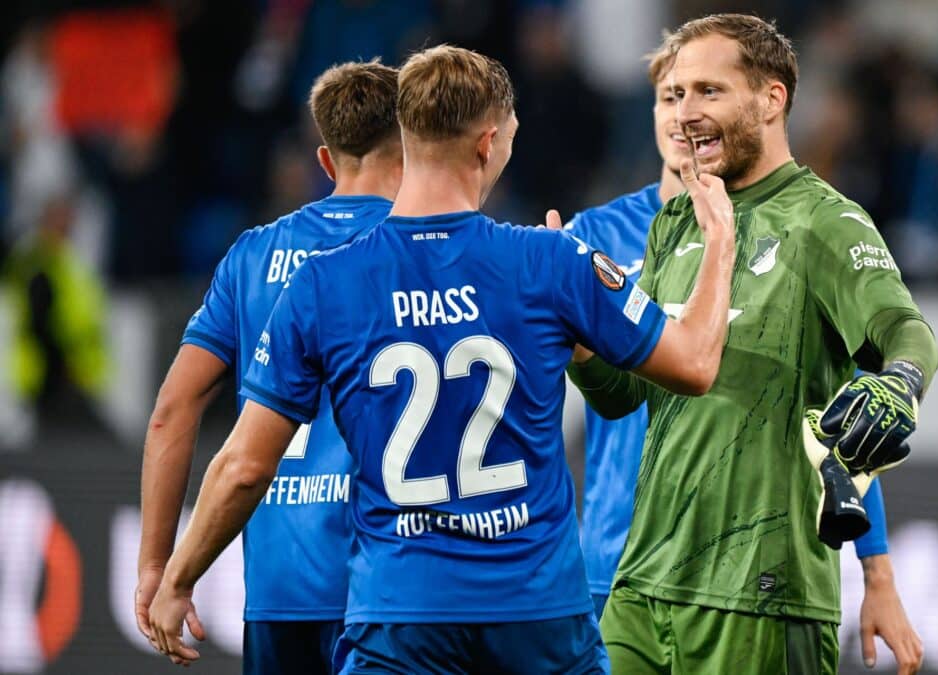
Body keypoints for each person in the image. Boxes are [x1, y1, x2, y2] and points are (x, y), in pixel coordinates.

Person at [145, 43, 738, 673]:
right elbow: (695, 363)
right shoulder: (553, 259)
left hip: (402, 613)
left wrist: (177, 576)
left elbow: (242, 466)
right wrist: (721, 241)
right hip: (537, 616)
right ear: (487, 144)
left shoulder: (323, 282)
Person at [568, 14, 938, 674]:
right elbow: (626, 393)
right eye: (674, 94)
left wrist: (900, 380)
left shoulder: (823, 219)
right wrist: (584, 347)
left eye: (708, 91)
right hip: (642, 583)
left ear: (772, 99)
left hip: (759, 592)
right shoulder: (674, 222)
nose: (684, 113)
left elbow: (904, 330)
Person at [135, 60, 403, 673]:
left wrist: (158, 566)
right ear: (410, 145)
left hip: (280, 592)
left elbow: (171, 412)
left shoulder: (252, 256)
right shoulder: (426, 248)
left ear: (327, 161)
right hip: (394, 590)